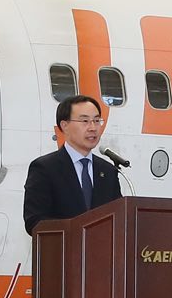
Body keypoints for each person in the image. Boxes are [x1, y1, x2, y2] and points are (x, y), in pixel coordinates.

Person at [23, 95, 121, 234]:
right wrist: (77, 231)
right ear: (65, 126)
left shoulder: (108, 171)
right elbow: (34, 221)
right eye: (85, 121)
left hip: (100, 247)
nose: (93, 128)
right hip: (62, 247)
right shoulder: (45, 168)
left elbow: (118, 218)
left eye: (96, 120)